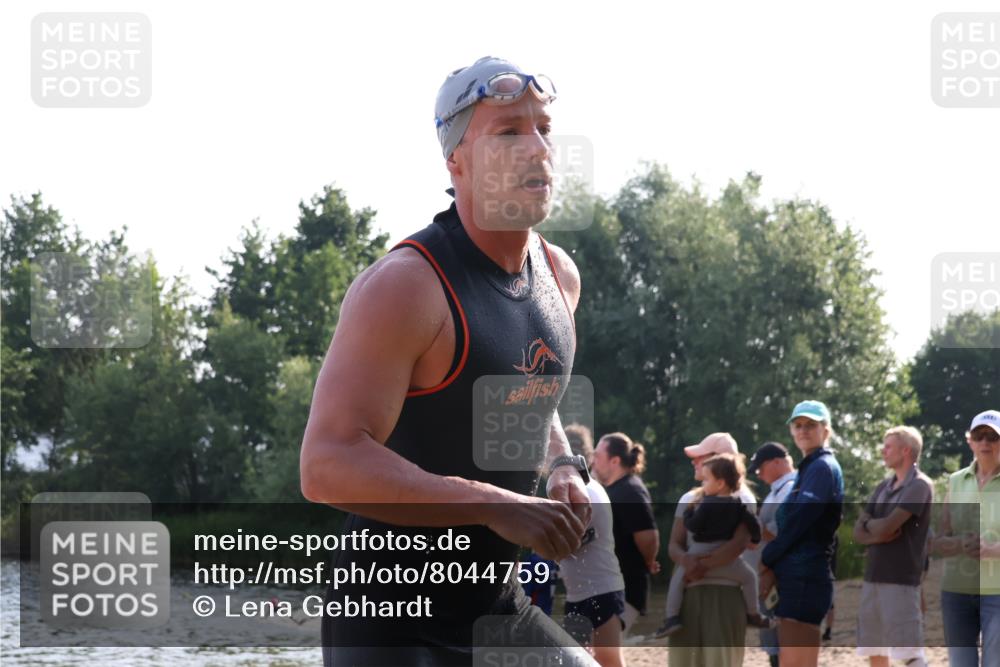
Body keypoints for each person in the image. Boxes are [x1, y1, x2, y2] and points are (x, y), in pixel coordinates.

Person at [300, 56, 596, 666]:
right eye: (508, 131)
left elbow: (528, 388)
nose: (537, 147)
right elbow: (326, 465)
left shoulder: (558, 276)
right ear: (455, 161)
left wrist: (563, 462)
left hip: (498, 608)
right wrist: (496, 504)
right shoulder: (407, 286)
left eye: (543, 128)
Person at [760, 400, 844, 667]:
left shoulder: (822, 467)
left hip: (806, 578)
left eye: (811, 425)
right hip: (798, 578)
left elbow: (800, 522)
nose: (804, 430)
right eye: (798, 425)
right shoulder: (809, 466)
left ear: (826, 430)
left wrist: (768, 557)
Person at [657, 453, 773, 637]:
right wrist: (756, 540)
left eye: (705, 480)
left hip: (699, 552)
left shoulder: (704, 504)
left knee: (678, 581)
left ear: (719, 483)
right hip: (728, 563)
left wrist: (688, 515)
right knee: (750, 578)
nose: (702, 485)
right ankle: (753, 613)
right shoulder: (740, 505)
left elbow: (694, 525)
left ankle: (671, 618)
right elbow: (754, 525)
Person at [665, 432, 755, 667]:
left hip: (725, 594)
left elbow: (738, 544)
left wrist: (698, 566)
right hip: (689, 594)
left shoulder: (743, 498)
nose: (694, 462)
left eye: (700, 457)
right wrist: (687, 562)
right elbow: (674, 545)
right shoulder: (689, 498)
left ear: (719, 460)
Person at [852, 426, 934, 667]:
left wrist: (871, 526)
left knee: (909, 655)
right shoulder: (882, 487)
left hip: (901, 580)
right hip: (872, 578)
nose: (882, 451)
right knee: (874, 650)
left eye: (888, 446)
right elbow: (858, 532)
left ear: (906, 450)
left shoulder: (919, 485)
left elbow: (889, 526)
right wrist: (874, 533)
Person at [932, 409, 1000, 667]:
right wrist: (959, 544)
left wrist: (992, 549)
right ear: (969, 440)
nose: (985, 442)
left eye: (992, 436)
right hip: (956, 591)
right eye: (979, 435)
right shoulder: (955, 480)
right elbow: (940, 538)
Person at [561, 423, 628, 667]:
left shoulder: (590, 492)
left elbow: (566, 544)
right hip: (577, 594)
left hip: (602, 590)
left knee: (609, 663)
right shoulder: (567, 494)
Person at [590, 432, 659, 633]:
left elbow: (648, 535)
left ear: (614, 461)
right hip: (610, 588)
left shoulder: (631, 491)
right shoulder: (613, 490)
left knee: (602, 654)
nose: (593, 461)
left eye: (597, 456)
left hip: (626, 589)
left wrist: (649, 561)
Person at [748, 441, 798, 667]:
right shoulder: (775, 492)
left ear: (777, 462)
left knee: (782, 639)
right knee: (773, 639)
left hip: (781, 575)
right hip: (771, 573)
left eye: (760, 467)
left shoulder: (790, 489)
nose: (758, 474)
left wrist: (752, 525)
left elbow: (778, 532)